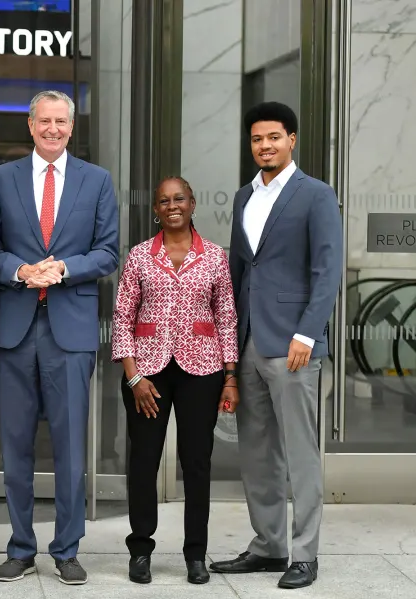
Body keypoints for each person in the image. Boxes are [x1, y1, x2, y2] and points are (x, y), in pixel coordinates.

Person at [0, 90, 119, 586]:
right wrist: (21, 270)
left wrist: (63, 268)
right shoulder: (0, 180)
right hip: (16, 329)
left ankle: (67, 548)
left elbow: (108, 253)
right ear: (30, 124)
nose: (53, 129)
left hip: (70, 330)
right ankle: (20, 547)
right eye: (45, 121)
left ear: (72, 126)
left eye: (62, 121)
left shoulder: (97, 181)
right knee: (15, 444)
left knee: (69, 445)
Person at [209, 102, 343, 589]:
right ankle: (268, 546)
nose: (264, 146)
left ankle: (304, 554)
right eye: (256, 139)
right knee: (257, 452)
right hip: (248, 342)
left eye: (273, 137)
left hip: (292, 345)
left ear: (292, 139)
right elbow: (239, 273)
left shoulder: (316, 195)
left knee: (301, 452)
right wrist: (229, 343)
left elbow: (327, 272)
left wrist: (307, 334)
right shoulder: (246, 196)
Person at [111, 176, 239, 586]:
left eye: (179, 198)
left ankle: (196, 554)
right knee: (144, 461)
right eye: (163, 200)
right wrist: (134, 378)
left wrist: (231, 377)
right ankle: (141, 550)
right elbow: (122, 317)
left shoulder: (216, 257)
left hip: (202, 371)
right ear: (155, 209)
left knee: (197, 463)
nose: (172, 206)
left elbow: (227, 318)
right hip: (147, 373)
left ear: (192, 203)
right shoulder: (138, 257)